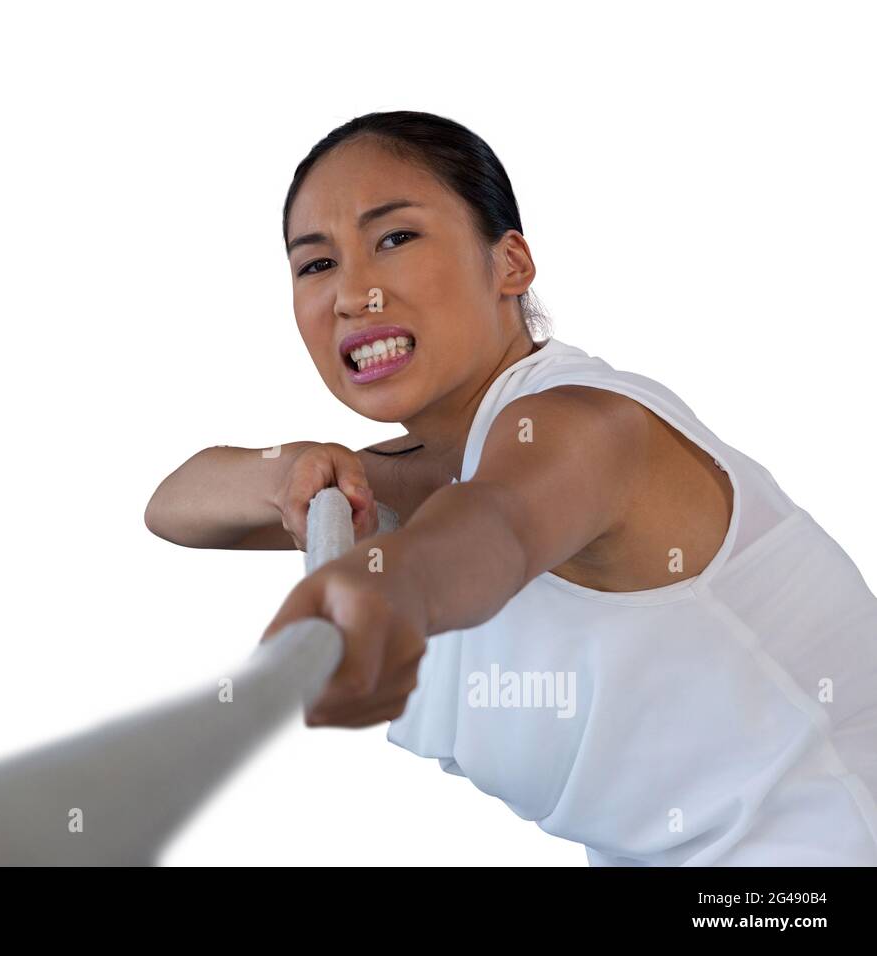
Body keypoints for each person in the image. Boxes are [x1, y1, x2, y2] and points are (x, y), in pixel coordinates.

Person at [143, 110, 877, 865]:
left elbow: (493, 528)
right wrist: (285, 469)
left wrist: (392, 593)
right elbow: (174, 506)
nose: (352, 293)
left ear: (511, 264)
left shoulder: (585, 428)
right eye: (315, 265)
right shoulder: (405, 475)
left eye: (394, 238)